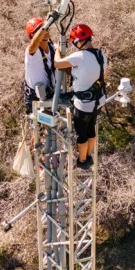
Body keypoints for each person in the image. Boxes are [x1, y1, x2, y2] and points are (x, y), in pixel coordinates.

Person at [54, 23, 107, 170]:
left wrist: (57, 49)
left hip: (84, 104)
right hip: (98, 100)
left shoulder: (80, 56)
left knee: (82, 134)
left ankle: (82, 160)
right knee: (91, 130)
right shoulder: (101, 55)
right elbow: (98, 74)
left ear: (78, 41)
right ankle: (88, 156)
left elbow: (57, 63)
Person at [23, 17, 55, 115]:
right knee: (38, 128)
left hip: (50, 93)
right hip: (35, 98)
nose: (45, 30)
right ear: (33, 35)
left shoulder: (53, 48)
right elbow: (33, 45)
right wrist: (46, 23)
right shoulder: (31, 52)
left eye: (46, 28)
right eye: (41, 29)